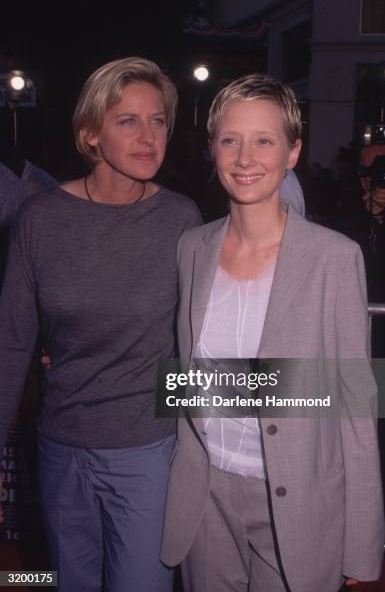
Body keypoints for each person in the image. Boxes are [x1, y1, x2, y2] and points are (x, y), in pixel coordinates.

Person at [161, 74, 385, 591]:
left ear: (292, 152)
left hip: (298, 499)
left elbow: (354, 398)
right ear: (212, 148)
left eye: (264, 140)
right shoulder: (191, 247)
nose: (245, 158)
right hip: (205, 496)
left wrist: (361, 536)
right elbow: (188, 376)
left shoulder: (335, 257)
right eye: (230, 140)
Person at [0, 57, 201, 592]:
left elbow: (201, 338)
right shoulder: (39, 219)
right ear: (90, 134)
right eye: (127, 121)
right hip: (60, 447)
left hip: (148, 451)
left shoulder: (181, 220)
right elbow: (12, 342)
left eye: (158, 120)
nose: (148, 136)